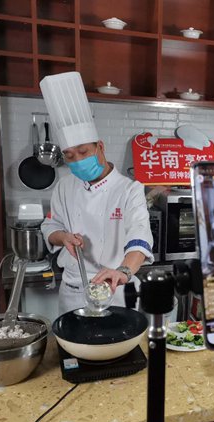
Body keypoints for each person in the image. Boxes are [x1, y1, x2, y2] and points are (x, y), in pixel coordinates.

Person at [39, 72, 153, 315]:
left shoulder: (129, 189)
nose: (77, 161)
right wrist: (63, 237)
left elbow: (140, 236)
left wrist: (123, 271)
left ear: (100, 147)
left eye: (83, 152)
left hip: (115, 288)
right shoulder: (64, 186)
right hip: (73, 290)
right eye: (70, 156)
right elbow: (50, 226)